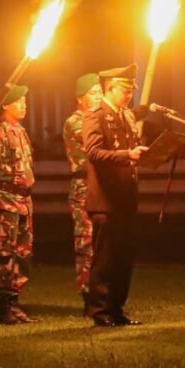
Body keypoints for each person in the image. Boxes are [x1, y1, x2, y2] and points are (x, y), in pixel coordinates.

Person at [82, 64, 149, 327]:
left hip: (126, 197)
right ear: (110, 88)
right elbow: (94, 153)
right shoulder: (94, 116)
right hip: (105, 200)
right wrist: (126, 156)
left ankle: (117, 309)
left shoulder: (127, 116)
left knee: (123, 257)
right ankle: (100, 311)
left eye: (131, 90)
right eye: (125, 89)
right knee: (105, 259)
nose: (129, 95)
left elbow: (132, 150)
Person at [0, 85, 38, 325]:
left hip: (24, 201)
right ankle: (3, 305)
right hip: (6, 200)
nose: (24, 105)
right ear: (6, 105)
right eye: (19, 102)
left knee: (22, 254)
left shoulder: (21, 132)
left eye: (25, 101)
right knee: (3, 254)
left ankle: (14, 301)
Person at [62, 73, 103, 312]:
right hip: (84, 187)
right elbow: (96, 142)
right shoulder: (76, 121)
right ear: (81, 98)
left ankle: (103, 291)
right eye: (94, 94)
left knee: (102, 242)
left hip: (101, 186)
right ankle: (88, 294)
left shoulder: (98, 120)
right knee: (86, 242)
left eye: (100, 93)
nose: (99, 97)